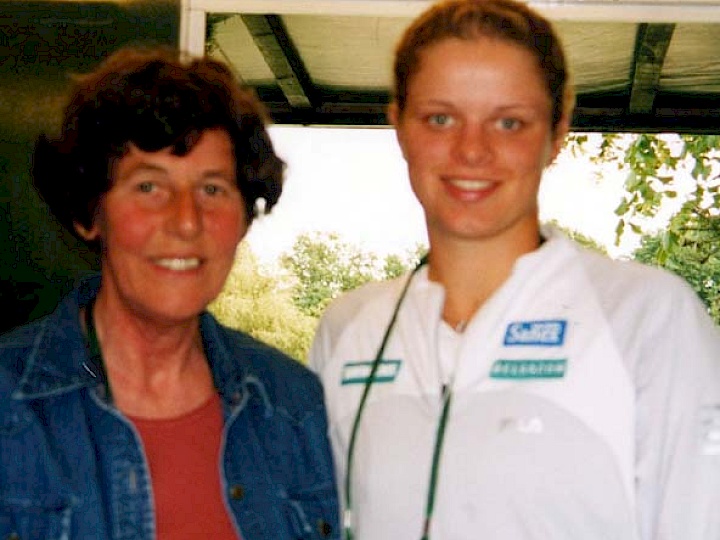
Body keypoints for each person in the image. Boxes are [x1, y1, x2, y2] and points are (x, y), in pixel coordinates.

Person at [309, 1, 720, 539]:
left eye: (509, 122)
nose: (472, 149)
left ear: (557, 132)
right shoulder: (349, 328)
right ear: (399, 126)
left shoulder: (647, 317)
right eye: (440, 117)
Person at [0, 47, 339, 540]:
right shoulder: (9, 405)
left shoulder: (292, 405)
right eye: (148, 187)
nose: (186, 221)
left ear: (243, 219)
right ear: (89, 212)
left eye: (213, 189)